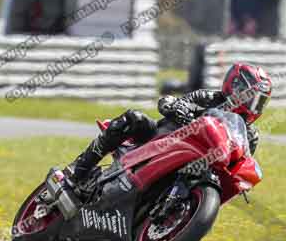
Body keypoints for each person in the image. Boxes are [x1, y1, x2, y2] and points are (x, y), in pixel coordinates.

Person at [66, 63, 273, 197]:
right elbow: (173, 102)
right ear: (234, 87)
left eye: (259, 102)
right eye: (250, 98)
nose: (254, 106)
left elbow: (239, 163)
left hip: (197, 166)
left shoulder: (250, 135)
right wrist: (176, 107)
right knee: (132, 118)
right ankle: (78, 172)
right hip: (161, 140)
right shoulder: (208, 98)